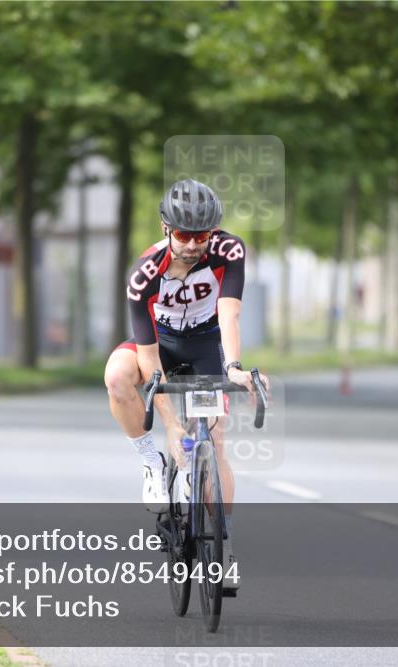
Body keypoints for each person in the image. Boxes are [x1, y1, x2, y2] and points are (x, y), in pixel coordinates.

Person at [103, 178, 269, 582]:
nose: (194, 244)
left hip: (205, 344)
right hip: (159, 342)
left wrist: (232, 367)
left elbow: (229, 314)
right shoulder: (144, 275)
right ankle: (150, 462)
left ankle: (223, 546)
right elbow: (149, 363)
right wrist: (172, 428)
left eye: (202, 234)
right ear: (165, 229)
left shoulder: (229, 251)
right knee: (117, 376)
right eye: (184, 235)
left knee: (215, 440)